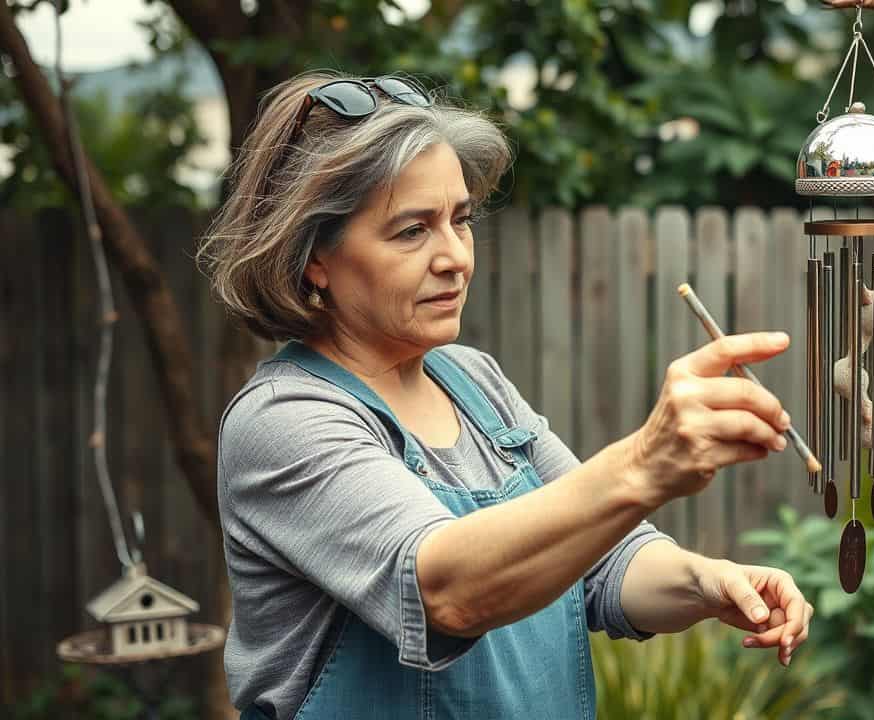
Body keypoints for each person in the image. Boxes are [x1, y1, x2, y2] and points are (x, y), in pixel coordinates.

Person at [199, 71, 812, 720]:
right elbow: (446, 591)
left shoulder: (474, 383)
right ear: (313, 257)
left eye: (459, 220)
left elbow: (604, 566)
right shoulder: (285, 421)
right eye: (412, 230)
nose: (455, 257)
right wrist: (643, 466)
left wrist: (706, 582)